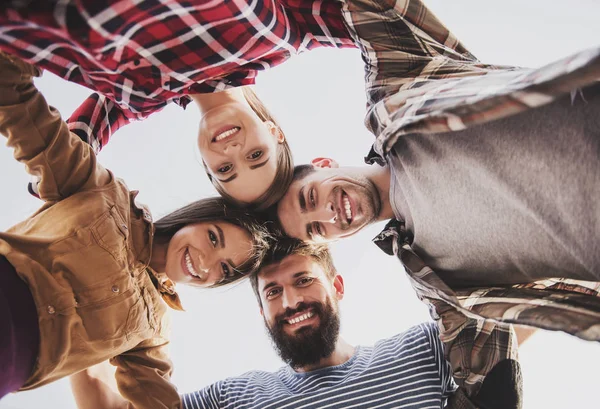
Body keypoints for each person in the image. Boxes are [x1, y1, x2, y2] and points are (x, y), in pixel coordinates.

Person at [271, 0, 600, 401]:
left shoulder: (400, 87)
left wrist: (222, 103)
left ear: (323, 163)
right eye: (316, 228)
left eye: (311, 197)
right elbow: (486, 388)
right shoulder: (439, 284)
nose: (328, 212)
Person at [0, 52, 272, 407]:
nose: (206, 263)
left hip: (12, 360)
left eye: (224, 270)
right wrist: (26, 51)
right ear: (195, 219)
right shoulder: (102, 192)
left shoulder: (153, 333)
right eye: (213, 238)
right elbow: (30, 120)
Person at [69, 240, 528, 409]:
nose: (290, 301)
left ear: (337, 286)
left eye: (303, 281)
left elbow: (520, 307)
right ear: (262, 311)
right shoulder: (233, 398)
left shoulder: (421, 351)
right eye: (272, 292)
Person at [0, 0, 356, 208]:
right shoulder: (288, 35)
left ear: (206, 161)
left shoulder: (137, 100)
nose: (232, 151)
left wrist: (67, 192)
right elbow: (390, 21)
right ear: (274, 132)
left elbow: (64, 159)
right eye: (255, 156)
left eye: (225, 170)